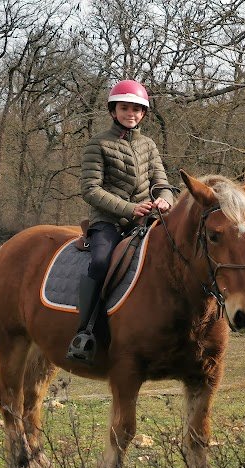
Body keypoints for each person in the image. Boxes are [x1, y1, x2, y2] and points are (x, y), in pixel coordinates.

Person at [67, 79, 174, 364]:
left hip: (146, 220)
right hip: (109, 222)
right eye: (125, 108)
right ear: (113, 111)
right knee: (101, 261)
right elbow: (90, 189)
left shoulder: (148, 145)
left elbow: (162, 183)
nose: (132, 114)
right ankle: (85, 331)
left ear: (143, 114)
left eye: (137, 110)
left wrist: (165, 200)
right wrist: (129, 208)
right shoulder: (98, 143)